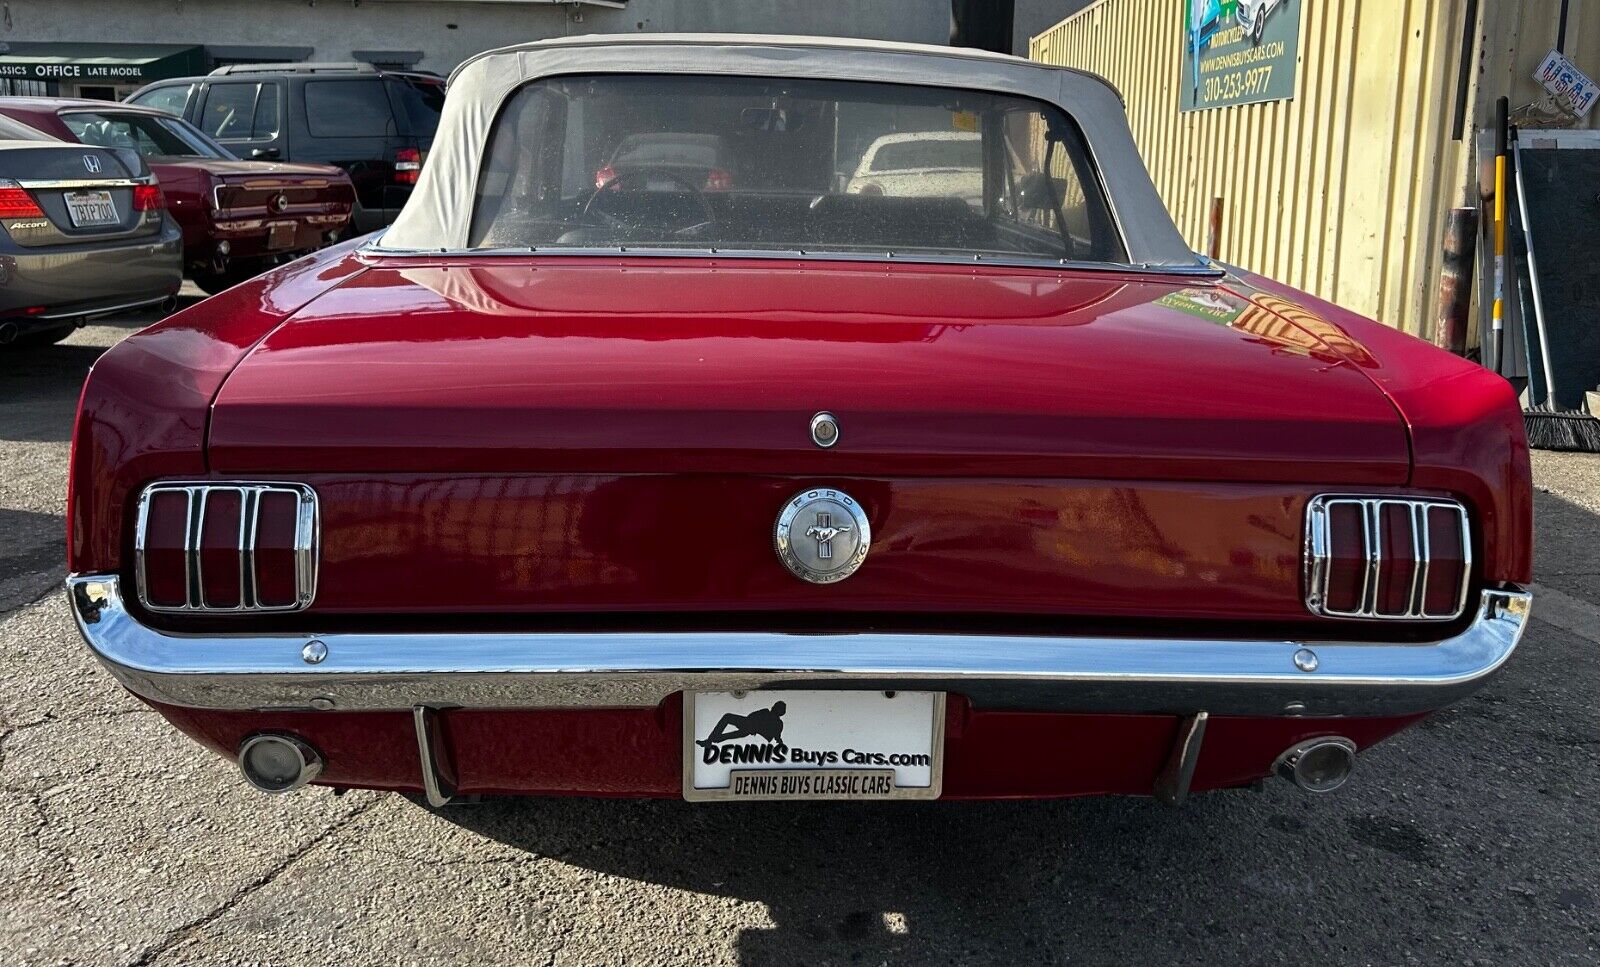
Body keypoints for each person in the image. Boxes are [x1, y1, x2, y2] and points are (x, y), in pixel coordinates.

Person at [697, 701, 787, 749]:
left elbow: (776, 736)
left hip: (748, 728)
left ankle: (710, 740)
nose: (773, 708)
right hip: (747, 724)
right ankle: (710, 740)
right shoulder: (766, 712)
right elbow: (752, 716)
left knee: (728, 724)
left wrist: (781, 744)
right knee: (727, 719)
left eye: (777, 708)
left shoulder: (778, 723)